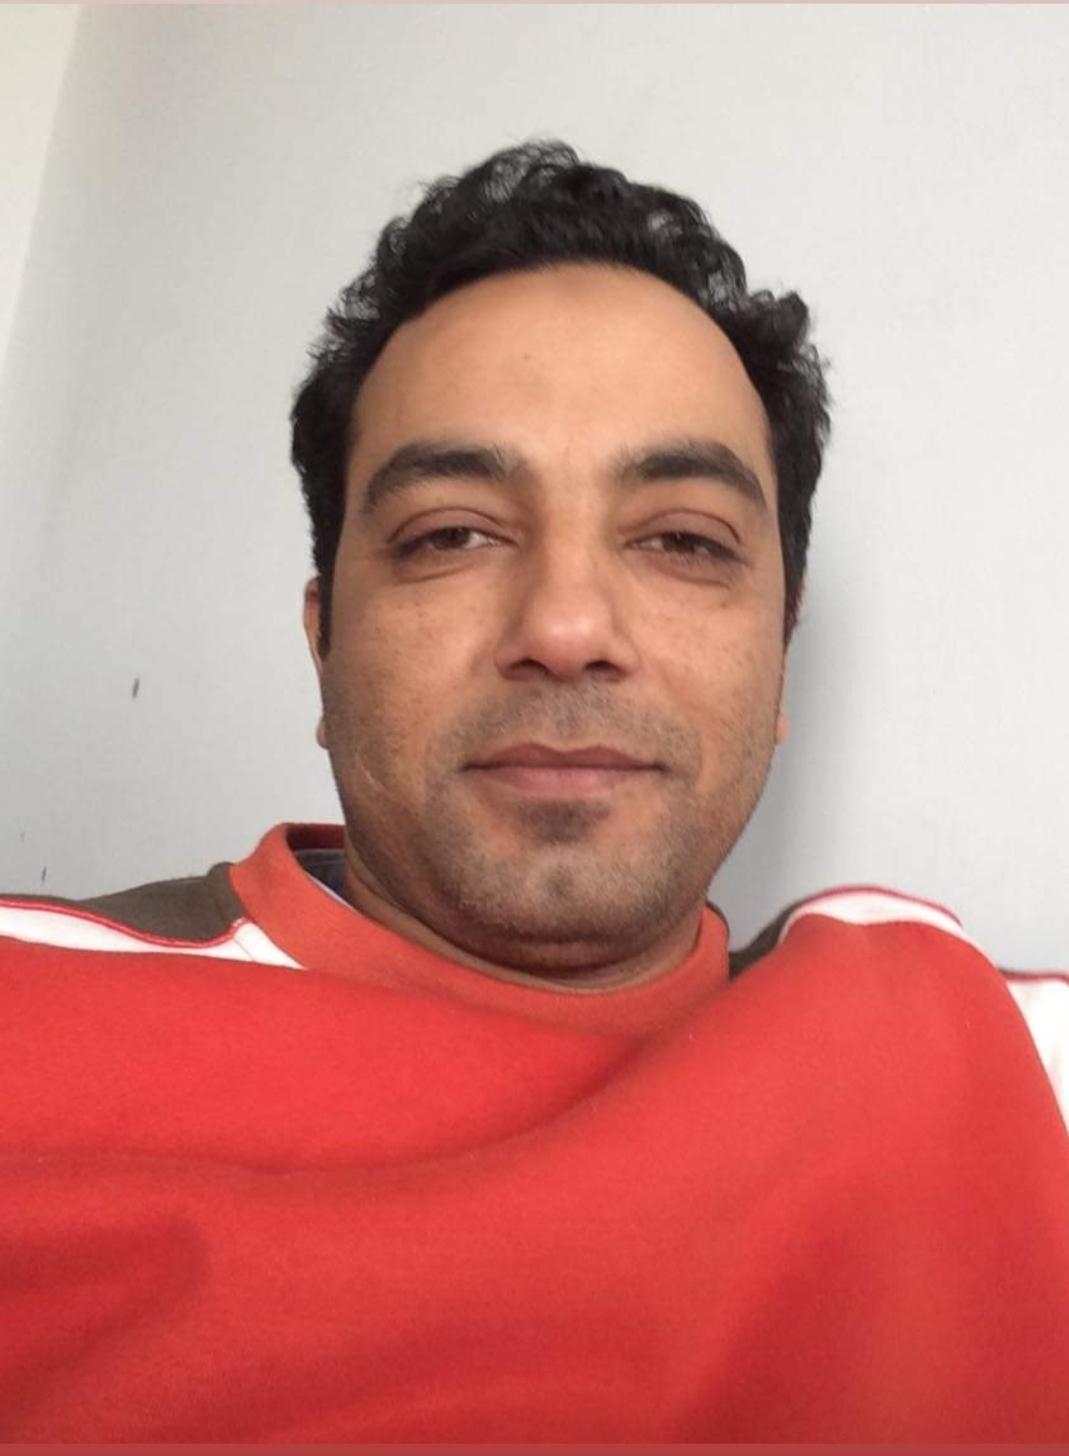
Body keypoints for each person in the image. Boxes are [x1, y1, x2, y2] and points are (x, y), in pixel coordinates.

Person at [1, 141, 1067, 1442]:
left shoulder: (1008, 1067)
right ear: (324, 646)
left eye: (683, 540)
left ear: (779, 655)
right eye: (450, 533)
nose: (565, 628)